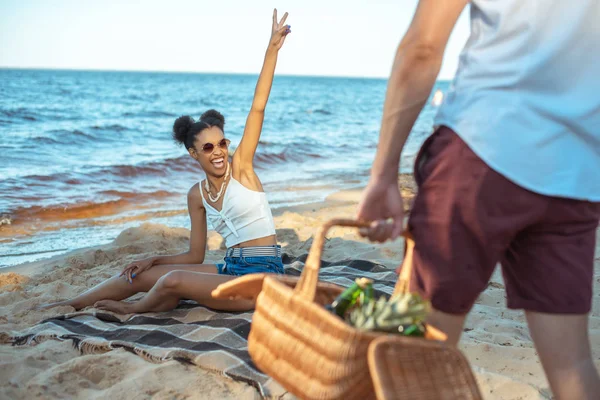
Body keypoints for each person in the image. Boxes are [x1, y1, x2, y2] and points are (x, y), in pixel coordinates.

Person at [355, 1, 600, 399]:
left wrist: (382, 174)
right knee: (572, 365)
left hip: (482, 149)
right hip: (575, 173)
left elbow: (422, 47)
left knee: (422, 350)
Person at [37, 9, 292, 314]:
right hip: (229, 269)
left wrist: (271, 50)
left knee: (172, 281)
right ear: (193, 153)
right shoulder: (197, 195)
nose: (219, 151)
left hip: (262, 277)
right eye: (208, 147)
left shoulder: (242, 169)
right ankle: (74, 303)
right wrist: (153, 259)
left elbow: (258, 108)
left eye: (222, 143)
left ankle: (133, 310)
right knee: (143, 275)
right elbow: (195, 255)